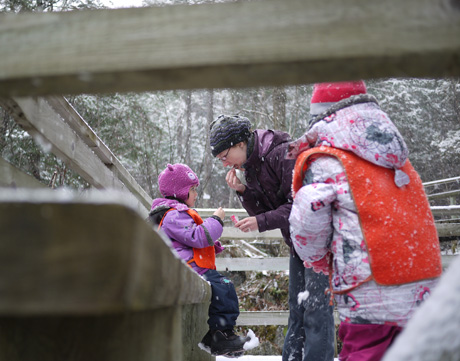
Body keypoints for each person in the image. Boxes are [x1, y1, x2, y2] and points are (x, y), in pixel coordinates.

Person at [288, 81, 443, 361]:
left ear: (321, 117)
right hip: (422, 279)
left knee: (364, 352)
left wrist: (316, 259)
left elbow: (309, 212)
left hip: (370, 287)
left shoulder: (327, 160)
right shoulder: (395, 158)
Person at [209, 115, 336, 361]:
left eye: (225, 156)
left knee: (316, 313)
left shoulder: (284, 154)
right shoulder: (252, 165)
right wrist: (243, 191)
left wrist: (261, 221)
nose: (225, 164)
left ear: (239, 144)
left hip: (319, 242)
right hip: (298, 244)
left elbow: (300, 206)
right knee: (297, 311)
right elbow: (263, 210)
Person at [147, 163, 250, 357]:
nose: (196, 194)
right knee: (224, 286)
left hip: (189, 267)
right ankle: (220, 335)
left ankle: (220, 335)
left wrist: (213, 245)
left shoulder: (173, 214)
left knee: (223, 286)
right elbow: (198, 236)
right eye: (192, 189)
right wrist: (216, 220)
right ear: (179, 192)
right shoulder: (172, 215)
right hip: (185, 269)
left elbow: (191, 240)